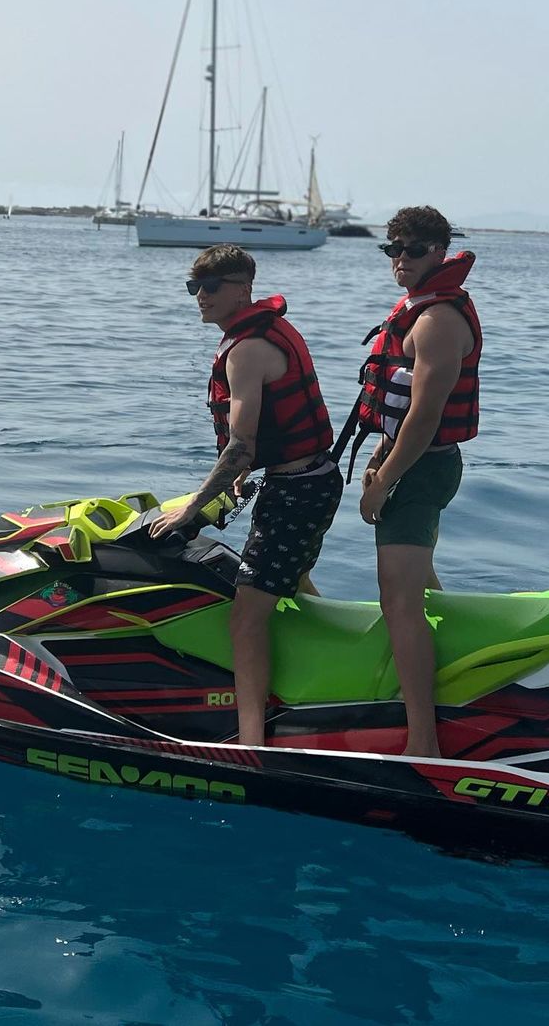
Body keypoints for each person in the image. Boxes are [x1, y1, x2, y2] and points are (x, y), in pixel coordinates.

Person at [150, 244, 342, 746]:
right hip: (308, 480)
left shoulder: (248, 349)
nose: (201, 297)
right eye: (194, 287)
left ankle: (252, 740)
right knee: (294, 580)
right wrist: (238, 478)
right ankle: (339, 667)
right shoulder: (255, 336)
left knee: (245, 616)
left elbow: (241, 445)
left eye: (212, 287)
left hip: (297, 491)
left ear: (243, 289)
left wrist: (192, 508)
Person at [342, 205, 481, 757]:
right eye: (392, 248)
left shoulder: (438, 320)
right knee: (420, 582)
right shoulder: (418, 309)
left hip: (424, 468)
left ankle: (423, 736)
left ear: (441, 251)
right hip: (410, 461)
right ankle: (466, 674)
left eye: (413, 250)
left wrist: (383, 483)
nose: (400, 259)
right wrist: (378, 455)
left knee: (398, 601)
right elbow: (399, 414)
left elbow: (424, 418)